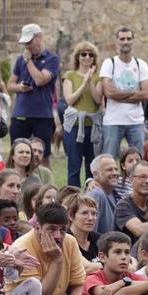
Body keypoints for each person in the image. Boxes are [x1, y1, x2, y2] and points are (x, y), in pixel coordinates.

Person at [6, 203, 86, 295]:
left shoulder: (70, 242)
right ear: (37, 228)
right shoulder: (22, 247)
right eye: (51, 229)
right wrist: (57, 261)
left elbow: (79, 285)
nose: (58, 236)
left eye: (62, 230)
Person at [8, 24, 60, 165]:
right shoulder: (20, 59)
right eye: (25, 43)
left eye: (29, 42)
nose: (27, 46)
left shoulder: (52, 59)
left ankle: (45, 186)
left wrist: (29, 61)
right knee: (16, 154)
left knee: (43, 156)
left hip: (42, 115)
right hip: (20, 114)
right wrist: (21, 87)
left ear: (39, 37)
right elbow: (10, 85)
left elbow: (40, 80)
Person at [100, 27, 148, 158]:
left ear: (133, 41)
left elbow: (147, 94)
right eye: (122, 39)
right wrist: (135, 94)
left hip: (136, 121)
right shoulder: (109, 63)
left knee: (138, 162)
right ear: (117, 41)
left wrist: (119, 95)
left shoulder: (141, 64)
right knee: (108, 161)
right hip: (113, 121)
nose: (125, 42)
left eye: (129, 38)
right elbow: (108, 92)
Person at [61, 40, 103, 187]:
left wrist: (90, 81)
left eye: (90, 55)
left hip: (92, 127)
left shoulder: (98, 76)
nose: (87, 57)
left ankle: (91, 197)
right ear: (78, 57)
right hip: (74, 126)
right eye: (83, 54)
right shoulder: (70, 75)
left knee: (92, 167)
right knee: (74, 165)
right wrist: (83, 84)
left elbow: (98, 99)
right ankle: (72, 198)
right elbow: (70, 100)